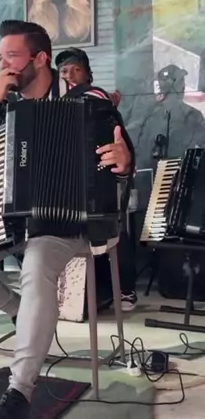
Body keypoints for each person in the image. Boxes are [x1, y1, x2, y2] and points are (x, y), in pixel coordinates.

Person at [0, 21, 134, 419]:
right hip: (8, 211)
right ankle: (20, 309)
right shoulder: (2, 105)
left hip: (70, 222)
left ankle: (19, 394)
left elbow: (121, 155)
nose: (3, 65)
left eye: (12, 56)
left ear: (40, 59)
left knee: (38, 262)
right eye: (1, 57)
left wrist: (123, 160)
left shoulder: (89, 100)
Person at [56, 47, 137, 311]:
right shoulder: (54, 103)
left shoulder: (96, 98)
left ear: (88, 75)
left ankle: (125, 289)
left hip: (103, 175)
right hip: (68, 187)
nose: (69, 75)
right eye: (64, 71)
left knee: (113, 225)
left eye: (75, 70)